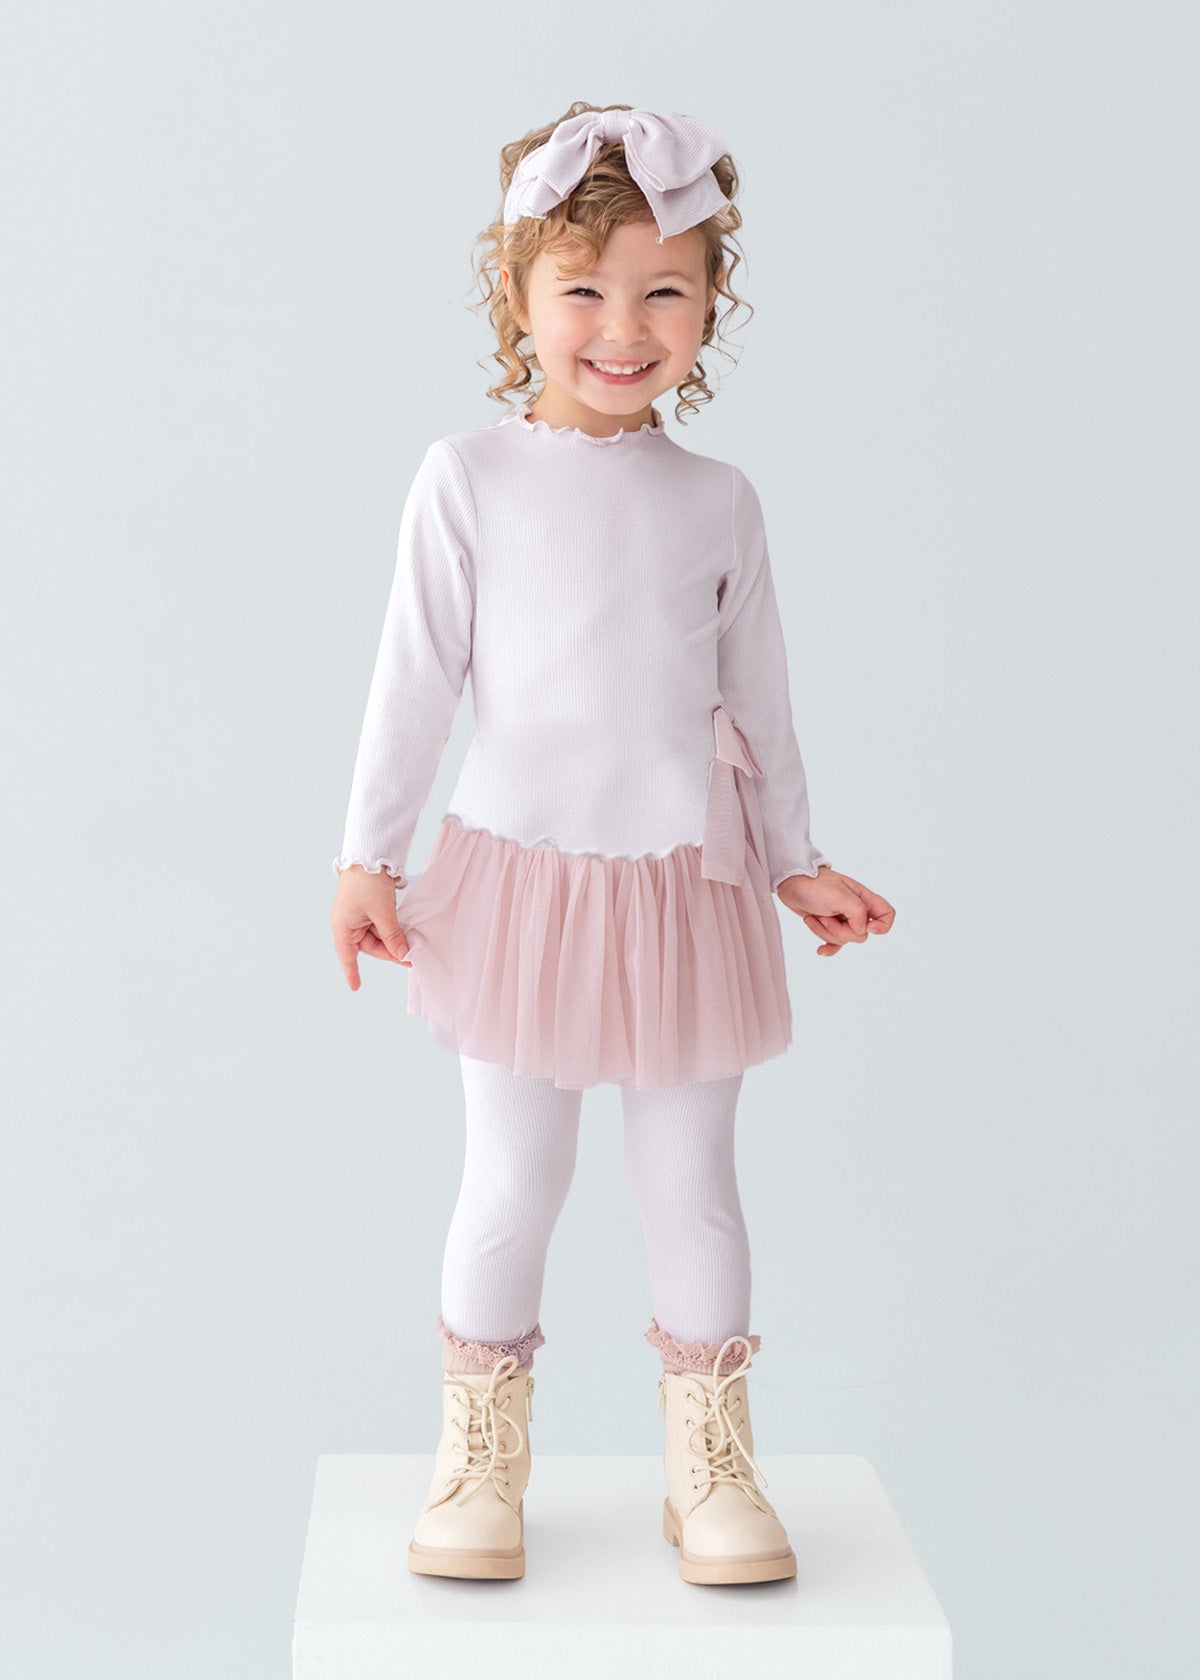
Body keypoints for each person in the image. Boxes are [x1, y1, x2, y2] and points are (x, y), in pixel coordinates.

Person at [330, 102, 895, 1586]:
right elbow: (416, 677)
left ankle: (708, 1469)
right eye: (583, 289)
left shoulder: (719, 501)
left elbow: (760, 700)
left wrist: (796, 859)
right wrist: (366, 856)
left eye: (666, 291)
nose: (622, 326)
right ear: (516, 293)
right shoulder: (469, 478)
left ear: (712, 306)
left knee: (693, 1185)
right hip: (515, 877)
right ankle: (480, 1466)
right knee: (510, 1184)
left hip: (689, 884)